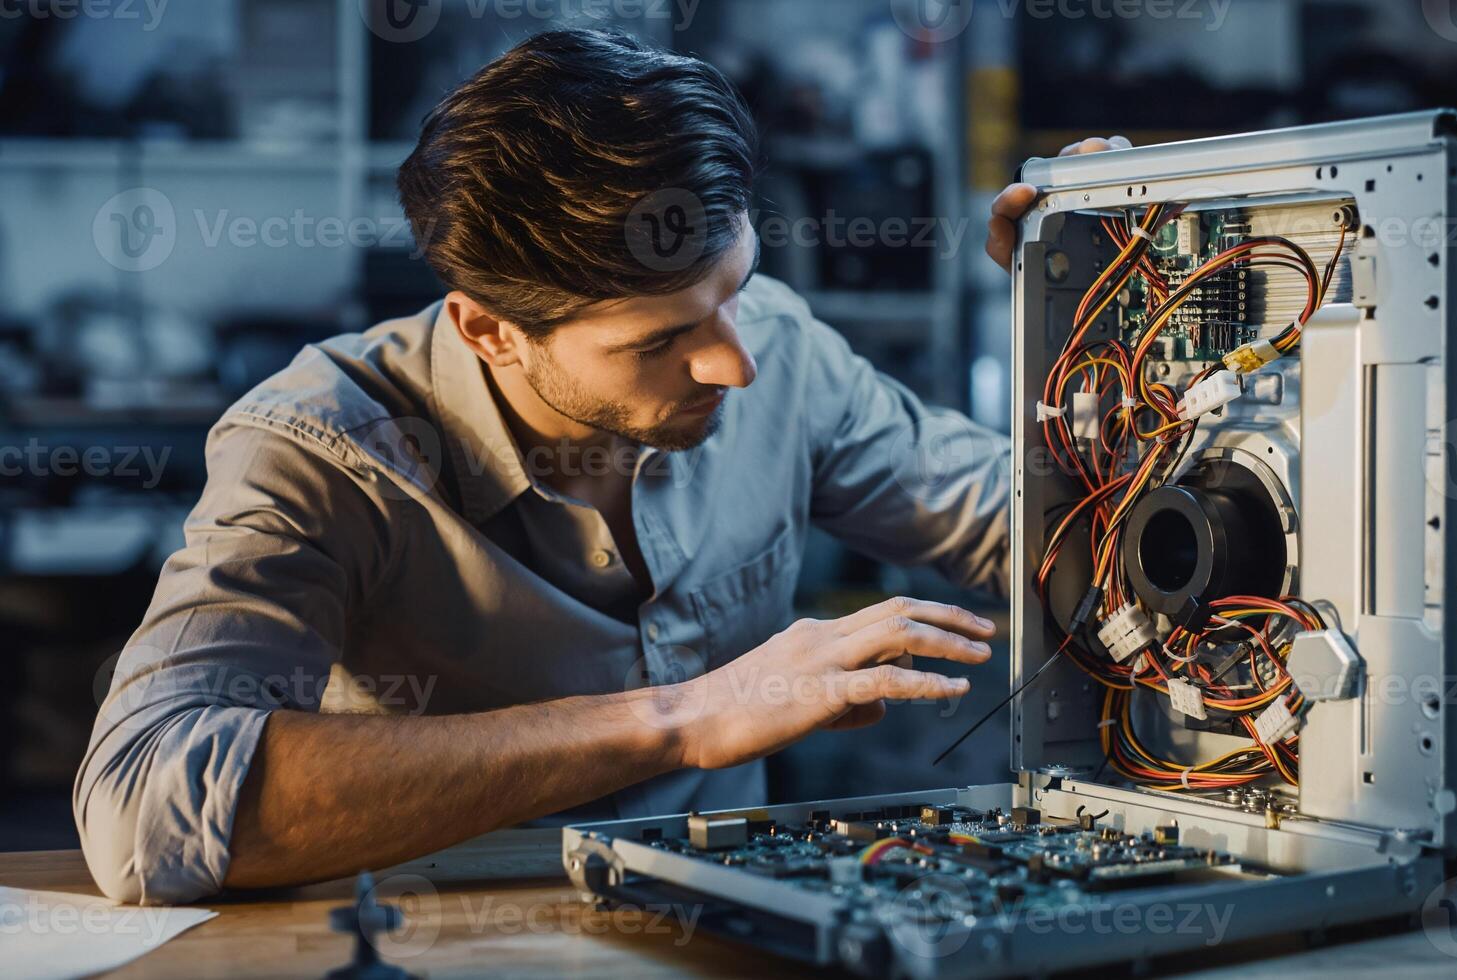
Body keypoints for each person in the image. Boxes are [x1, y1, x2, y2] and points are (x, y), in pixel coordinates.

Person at [74, 26, 1130, 904]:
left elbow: (1039, 531)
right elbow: (145, 801)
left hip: (737, 932)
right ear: (490, 331)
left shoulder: (780, 351)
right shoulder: (323, 447)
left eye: (735, 288)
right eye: (655, 341)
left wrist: (1106, 324)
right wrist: (681, 714)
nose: (733, 359)